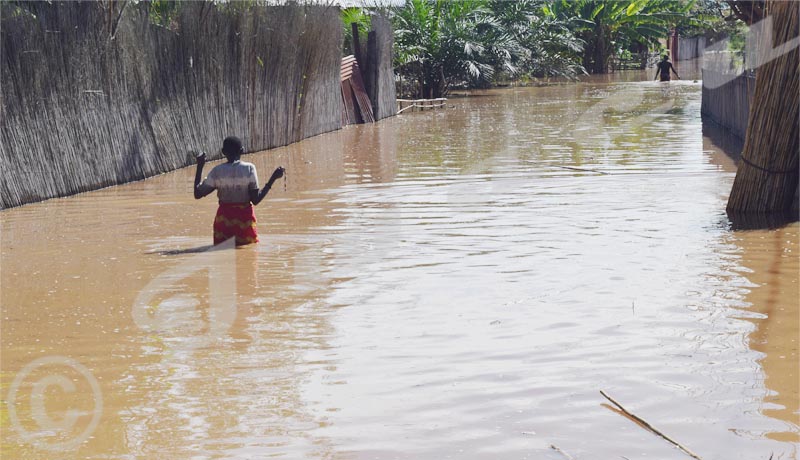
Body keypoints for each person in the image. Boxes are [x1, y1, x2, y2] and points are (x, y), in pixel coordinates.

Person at [194, 136, 284, 246]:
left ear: (223, 152)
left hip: (223, 222)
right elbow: (256, 200)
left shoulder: (217, 171)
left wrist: (200, 166)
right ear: (242, 150)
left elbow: (198, 193)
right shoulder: (249, 169)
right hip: (244, 222)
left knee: (223, 257)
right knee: (248, 257)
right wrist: (272, 179)